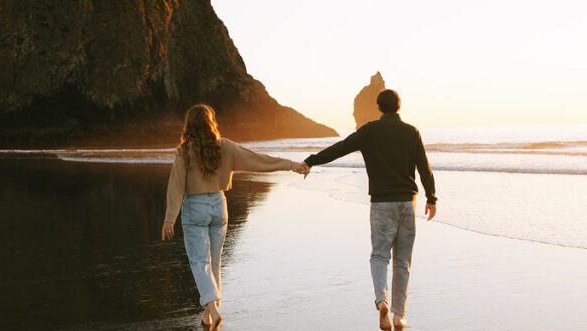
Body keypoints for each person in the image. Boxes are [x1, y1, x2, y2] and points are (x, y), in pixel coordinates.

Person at [299, 89, 437, 331]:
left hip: (382, 203)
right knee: (402, 260)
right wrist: (432, 198)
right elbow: (424, 167)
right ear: (399, 106)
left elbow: (340, 148)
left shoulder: (370, 131)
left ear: (378, 107)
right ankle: (399, 317)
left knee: (380, 255)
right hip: (407, 202)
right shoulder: (411, 131)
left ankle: (381, 301)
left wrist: (311, 159)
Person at [162, 103, 308, 329]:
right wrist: (291, 165)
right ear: (211, 122)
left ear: (188, 125)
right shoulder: (225, 146)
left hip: (195, 207)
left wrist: (170, 217)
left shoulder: (184, 151)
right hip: (219, 205)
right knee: (215, 261)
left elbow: (176, 186)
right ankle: (208, 316)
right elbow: (258, 160)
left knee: (200, 262)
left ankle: (212, 309)